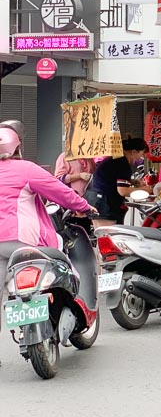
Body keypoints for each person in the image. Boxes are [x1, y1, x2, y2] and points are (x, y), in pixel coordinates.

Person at [0, 121, 97, 293]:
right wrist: (84, 206)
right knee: (58, 256)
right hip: (20, 240)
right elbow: (58, 191)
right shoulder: (25, 169)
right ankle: (73, 296)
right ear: (17, 146)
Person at [89, 138, 152, 227]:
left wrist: (133, 182)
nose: (141, 158)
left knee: (103, 236)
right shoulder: (122, 163)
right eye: (141, 154)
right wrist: (144, 189)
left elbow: (113, 179)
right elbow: (123, 191)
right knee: (107, 237)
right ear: (134, 152)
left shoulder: (116, 160)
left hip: (98, 201)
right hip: (105, 205)